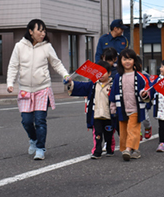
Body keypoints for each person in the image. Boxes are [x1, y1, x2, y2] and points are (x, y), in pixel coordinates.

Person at [7, 19, 70, 160]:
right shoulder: (19, 46)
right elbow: (13, 66)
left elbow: (56, 63)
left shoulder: (47, 46)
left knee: (40, 120)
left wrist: (65, 74)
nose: (43, 33)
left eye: (44, 31)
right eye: (39, 30)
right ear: (31, 31)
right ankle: (33, 139)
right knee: (26, 121)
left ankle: (40, 148)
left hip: (42, 88)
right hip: (25, 89)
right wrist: (10, 82)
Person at [66, 61, 115, 159]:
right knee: (97, 134)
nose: (101, 74)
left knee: (108, 135)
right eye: (98, 72)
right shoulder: (92, 85)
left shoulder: (113, 85)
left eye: (103, 72)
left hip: (108, 115)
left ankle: (110, 148)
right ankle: (97, 151)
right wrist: (70, 83)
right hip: (96, 115)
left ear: (109, 73)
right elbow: (80, 86)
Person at [109, 49, 150, 161]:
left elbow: (146, 88)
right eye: (124, 59)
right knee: (123, 131)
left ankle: (128, 149)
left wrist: (144, 93)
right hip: (121, 108)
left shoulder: (140, 76)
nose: (127, 61)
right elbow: (113, 92)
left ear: (134, 61)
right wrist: (112, 106)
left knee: (133, 129)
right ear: (120, 61)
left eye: (130, 59)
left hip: (136, 108)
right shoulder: (118, 77)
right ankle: (131, 149)